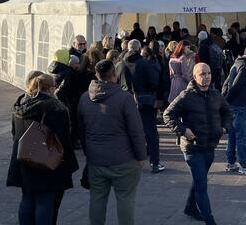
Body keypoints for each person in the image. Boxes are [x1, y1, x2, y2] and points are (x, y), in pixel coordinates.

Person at [78, 60, 147, 225]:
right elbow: (136, 131)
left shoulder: (85, 98)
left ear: (97, 75)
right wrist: (141, 156)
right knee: (125, 200)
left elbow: (81, 130)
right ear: (114, 75)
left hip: (96, 159)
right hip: (123, 159)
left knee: (97, 199)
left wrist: (89, 152)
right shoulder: (125, 98)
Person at [163, 63, 232, 225]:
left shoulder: (216, 94)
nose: (207, 76)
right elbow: (168, 115)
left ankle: (190, 207)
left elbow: (227, 112)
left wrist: (224, 128)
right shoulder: (186, 96)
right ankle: (210, 220)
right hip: (192, 148)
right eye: (202, 74)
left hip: (210, 146)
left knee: (199, 179)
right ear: (195, 77)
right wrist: (183, 130)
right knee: (202, 185)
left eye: (208, 73)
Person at [7, 73, 78, 225]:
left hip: (24, 157)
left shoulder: (20, 105)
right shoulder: (56, 108)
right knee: (45, 200)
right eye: (54, 87)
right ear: (50, 88)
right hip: (46, 161)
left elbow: (14, 132)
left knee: (27, 198)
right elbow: (64, 138)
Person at [116, 40, 165, 173]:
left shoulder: (120, 64)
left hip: (125, 101)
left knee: (128, 132)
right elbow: (154, 82)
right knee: (151, 133)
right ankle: (154, 163)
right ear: (138, 50)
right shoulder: (144, 63)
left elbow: (115, 83)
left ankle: (128, 162)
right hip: (145, 101)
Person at [222, 45, 246, 175]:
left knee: (232, 136)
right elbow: (236, 85)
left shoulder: (237, 63)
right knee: (240, 136)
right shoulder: (245, 66)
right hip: (239, 105)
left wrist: (226, 100)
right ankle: (244, 165)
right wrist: (229, 99)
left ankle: (231, 163)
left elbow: (227, 83)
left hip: (233, 105)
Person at [48, 49, 82, 149]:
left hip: (56, 99)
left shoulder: (52, 68)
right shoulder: (68, 71)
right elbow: (67, 87)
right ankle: (71, 143)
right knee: (71, 121)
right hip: (67, 99)